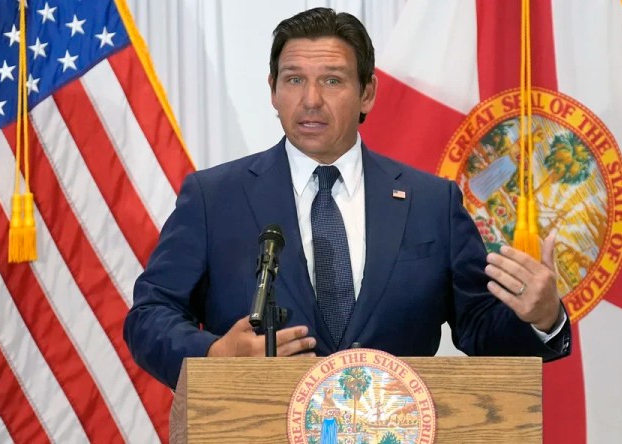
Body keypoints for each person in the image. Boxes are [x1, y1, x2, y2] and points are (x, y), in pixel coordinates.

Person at [124, 7, 570, 389]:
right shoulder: (213, 198)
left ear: (367, 94)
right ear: (273, 91)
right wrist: (215, 356)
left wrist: (542, 318)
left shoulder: (432, 202)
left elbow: (481, 329)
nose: (311, 100)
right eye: (294, 79)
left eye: (333, 81)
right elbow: (149, 315)